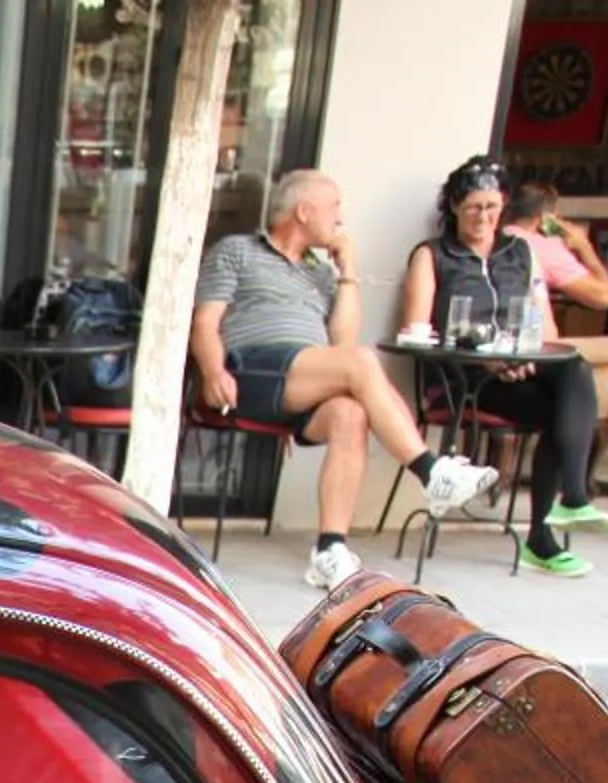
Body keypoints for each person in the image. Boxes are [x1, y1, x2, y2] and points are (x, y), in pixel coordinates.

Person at [193, 168, 502, 591]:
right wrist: (212, 371)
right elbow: (205, 323)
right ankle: (431, 471)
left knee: (350, 413)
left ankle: (330, 550)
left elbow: (343, 342)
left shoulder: (320, 272)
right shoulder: (237, 251)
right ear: (304, 211)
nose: (340, 219)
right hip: (249, 370)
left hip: (305, 376)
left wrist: (348, 272)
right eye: (334, 207)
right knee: (359, 363)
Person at [398, 156, 605, 576]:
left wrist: (522, 356)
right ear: (454, 206)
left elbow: (544, 327)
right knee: (562, 408)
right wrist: (489, 360)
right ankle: (560, 515)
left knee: (573, 370)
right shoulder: (433, 255)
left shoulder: (520, 252)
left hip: (520, 366)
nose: (483, 216)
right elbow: (416, 332)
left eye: (492, 207)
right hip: (464, 377)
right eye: (473, 207)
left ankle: (564, 510)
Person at [503, 181, 608, 496]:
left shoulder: (498, 238)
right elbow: (603, 297)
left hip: (511, 351)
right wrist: (583, 247)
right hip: (540, 351)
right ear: (547, 218)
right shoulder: (540, 245)